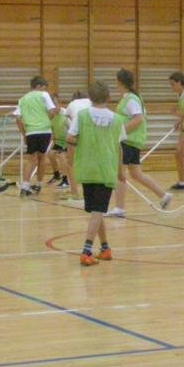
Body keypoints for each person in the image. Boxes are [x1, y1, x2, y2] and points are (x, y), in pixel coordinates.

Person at [67, 80, 126, 266]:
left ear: (90, 97)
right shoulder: (117, 119)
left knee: (96, 210)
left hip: (87, 168)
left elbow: (70, 137)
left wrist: (84, 142)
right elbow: (119, 147)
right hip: (106, 169)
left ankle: (105, 248)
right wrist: (121, 170)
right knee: (98, 210)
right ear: (108, 97)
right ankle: (87, 250)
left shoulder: (82, 115)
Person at [106, 68, 171, 217]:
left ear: (120, 82)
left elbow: (138, 119)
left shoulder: (131, 99)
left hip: (128, 141)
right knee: (136, 173)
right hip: (132, 141)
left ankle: (120, 208)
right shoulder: (131, 97)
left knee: (119, 174)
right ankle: (163, 195)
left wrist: (121, 132)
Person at [14, 76, 58, 196]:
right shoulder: (44, 95)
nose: (45, 90)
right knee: (42, 158)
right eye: (44, 87)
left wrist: (24, 134)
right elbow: (52, 111)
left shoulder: (22, 99)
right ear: (38, 86)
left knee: (31, 159)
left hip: (31, 132)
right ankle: (38, 184)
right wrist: (47, 119)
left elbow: (17, 119)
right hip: (44, 130)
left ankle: (25, 187)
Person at [64, 90, 91, 202]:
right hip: (92, 134)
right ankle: (90, 193)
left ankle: (75, 192)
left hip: (76, 134)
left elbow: (68, 119)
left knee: (71, 164)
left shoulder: (72, 104)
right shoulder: (91, 101)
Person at [49, 93, 71, 194]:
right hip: (59, 141)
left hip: (68, 142)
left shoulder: (65, 114)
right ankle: (56, 175)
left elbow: (72, 130)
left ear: (59, 104)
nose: (53, 108)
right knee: (50, 154)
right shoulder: (52, 116)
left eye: (55, 105)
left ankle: (65, 180)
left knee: (62, 157)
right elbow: (53, 130)